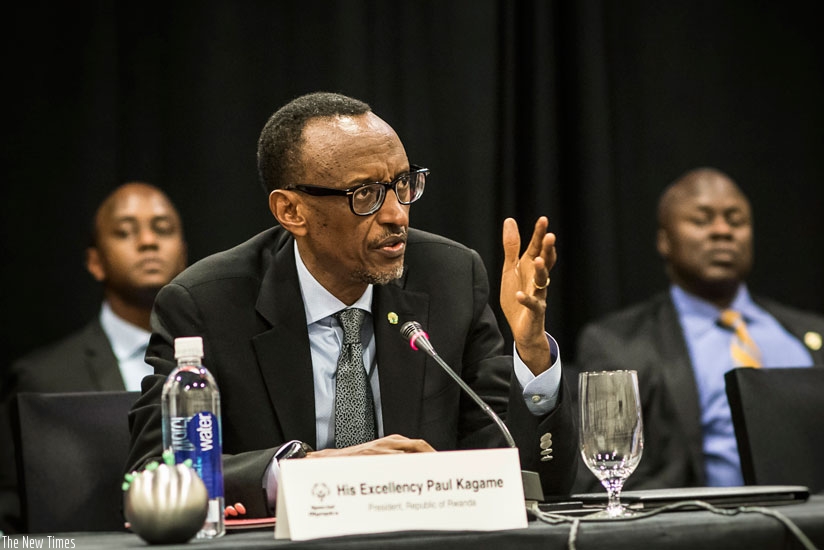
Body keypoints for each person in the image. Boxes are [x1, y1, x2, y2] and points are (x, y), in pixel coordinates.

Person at [125, 91, 578, 519]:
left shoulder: (451, 278)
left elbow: (522, 475)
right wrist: (308, 470)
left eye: (404, 184)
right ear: (291, 212)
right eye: (365, 194)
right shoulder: (206, 305)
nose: (397, 214)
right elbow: (152, 475)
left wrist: (533, 355)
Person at [572, 167, 824, 492]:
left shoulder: (811, 334)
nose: (722, 231)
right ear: (665, 240)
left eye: (735, 220)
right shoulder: (617, 343)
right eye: (702, 220)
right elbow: (605, 473)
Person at [0, 182, 188, 533]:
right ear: (95, 261)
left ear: (183, 253)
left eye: (163, 229)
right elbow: (12, 510)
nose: (148, 241)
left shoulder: (221, 360)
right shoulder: (42, 379)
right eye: (124, 232)